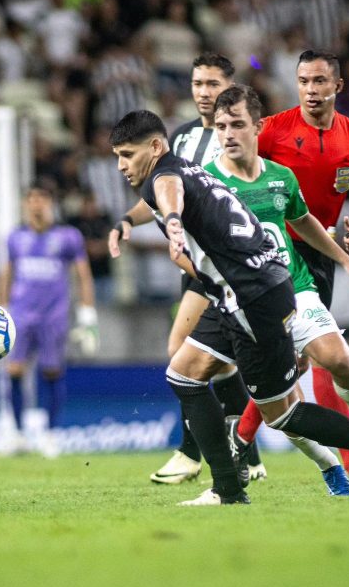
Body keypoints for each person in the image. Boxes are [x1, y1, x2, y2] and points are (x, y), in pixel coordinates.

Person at [110, 109, 349, 505]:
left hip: (251, 298)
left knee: (282, 414)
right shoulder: (192, 169)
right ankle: (227, 487)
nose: (122, 165)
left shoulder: (164, 176)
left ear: (155, 147)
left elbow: (167, 191)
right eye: (117, 157)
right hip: (244, 290)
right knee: (184, 375)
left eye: (127, 154)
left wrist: (173, 222)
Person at [205, 85, 349, 496]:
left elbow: (303, 222)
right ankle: (331, 468)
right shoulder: (206, 183)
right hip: (245, 303)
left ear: (257, 128)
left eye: (236, 125)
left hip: (295, 285)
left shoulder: (281, 177)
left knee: (341, 360)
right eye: (221, 127)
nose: (228, 133)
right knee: (278, 407)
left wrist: (348, 261)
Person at [109, 53, 264, 485]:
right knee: (214, 361)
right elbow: (161, 190)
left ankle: (195, 453)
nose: (203, 92)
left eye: (212, 84)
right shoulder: (179, 139)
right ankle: (240, 454)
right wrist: (126, 220)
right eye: (197, 84)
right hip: (195, 258)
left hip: (231, 258)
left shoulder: (239, 138)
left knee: (187, 354)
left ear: (231, 88)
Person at [0, 184, 97, 453]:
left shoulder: (68, 236)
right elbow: (6, 273)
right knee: (14, 369)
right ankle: (17, 434)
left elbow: (83, 273)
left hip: (53, 315)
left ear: (50, 203)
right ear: (25, 204)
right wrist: (2, 309)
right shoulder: (15, 237)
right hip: (20, 314)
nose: (36, 204)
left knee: (51, 371)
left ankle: (50, 435)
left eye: (41, 198)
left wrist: (87, 313)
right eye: (31, 199)